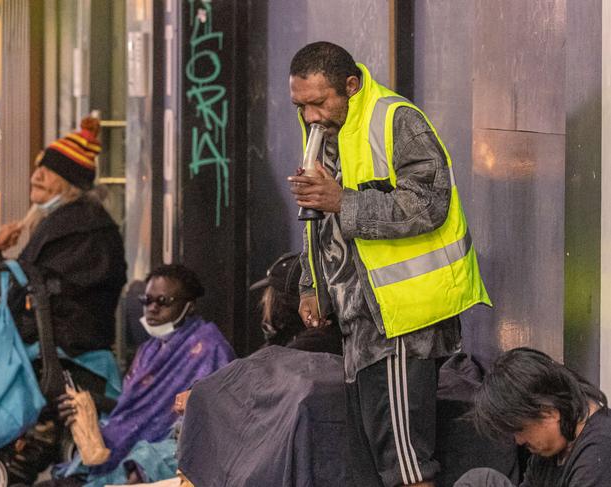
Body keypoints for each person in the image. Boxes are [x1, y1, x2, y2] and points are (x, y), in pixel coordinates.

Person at [287, 41, 491, 487]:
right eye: (301, 105)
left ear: (350, 86)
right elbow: (317, 221)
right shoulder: (322, 131)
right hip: (358, 321)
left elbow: (429, 203)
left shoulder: (396, 119)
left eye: (319, 103)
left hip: (401, 322)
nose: (310, 116)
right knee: (372, 466)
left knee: (406, 467)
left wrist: (344, 201)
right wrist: (312, 286)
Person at [56, 264, 236, 487]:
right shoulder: (149, 350)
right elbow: (132, 415)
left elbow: (205, 432)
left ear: (189, 306)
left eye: (163, 302)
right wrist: (86, 418)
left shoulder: (208, 348)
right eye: (147, 301)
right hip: (117, 458)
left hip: (157, 469)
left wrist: (146, 465)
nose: (152, 308)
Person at [175, 253, 346, 486]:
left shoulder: (307, 349)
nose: (264, 306)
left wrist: (201, 394)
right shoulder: (285, 349)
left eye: (268, 298)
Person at [0, 116, 127, 359]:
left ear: (70, 185)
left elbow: (27, 299)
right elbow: (17, 298)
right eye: (39, 168)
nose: (36, 176)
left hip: (63, 356)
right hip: (50, 348)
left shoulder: (81, 230)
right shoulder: (63, 222)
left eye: (49, 171)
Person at [454, 348, 611, 487]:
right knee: (479, 480)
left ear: (549, 411)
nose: (519, 440)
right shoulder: (549, 451)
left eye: (520, 429)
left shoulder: (600, 450)